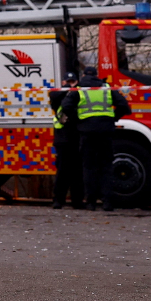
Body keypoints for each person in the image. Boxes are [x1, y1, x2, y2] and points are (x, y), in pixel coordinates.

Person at [73, 65, 132, 211]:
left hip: (87, 133)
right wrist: (112, 118)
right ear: (96, 75)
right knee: (106, 166)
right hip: (105, 131)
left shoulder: (78, 89)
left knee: (89, 167)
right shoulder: (107, 88)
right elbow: (125, 107)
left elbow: (66, 107)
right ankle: (107, 202)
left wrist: (78, 121)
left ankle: (91, 202)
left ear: (84, 75)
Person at [46, 81, 82, 209]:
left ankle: (70, 201)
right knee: (66, 172)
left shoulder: (72, 96)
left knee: (72, 173)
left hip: (69, 140)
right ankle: (62, 201)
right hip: (65, 140)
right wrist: (69, 89)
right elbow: (53, 95)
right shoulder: (60, 97)